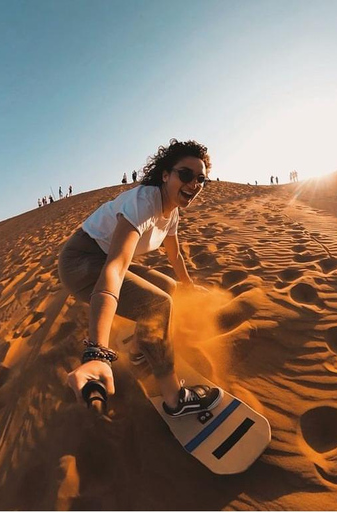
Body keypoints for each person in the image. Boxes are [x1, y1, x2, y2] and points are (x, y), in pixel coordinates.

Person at [59, 139, 222, 417]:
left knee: (170, 288)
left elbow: (175, 256)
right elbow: (114, 270)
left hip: (101, 256)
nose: (194, 184)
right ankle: (174, 398)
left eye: (200, 180)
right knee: (158, 305)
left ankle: (137, 349)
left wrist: (189, 285)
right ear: (165, 175)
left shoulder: (171, 212)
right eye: (185, 175)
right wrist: (97, 351)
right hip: (81, 262)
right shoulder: (144, 203)